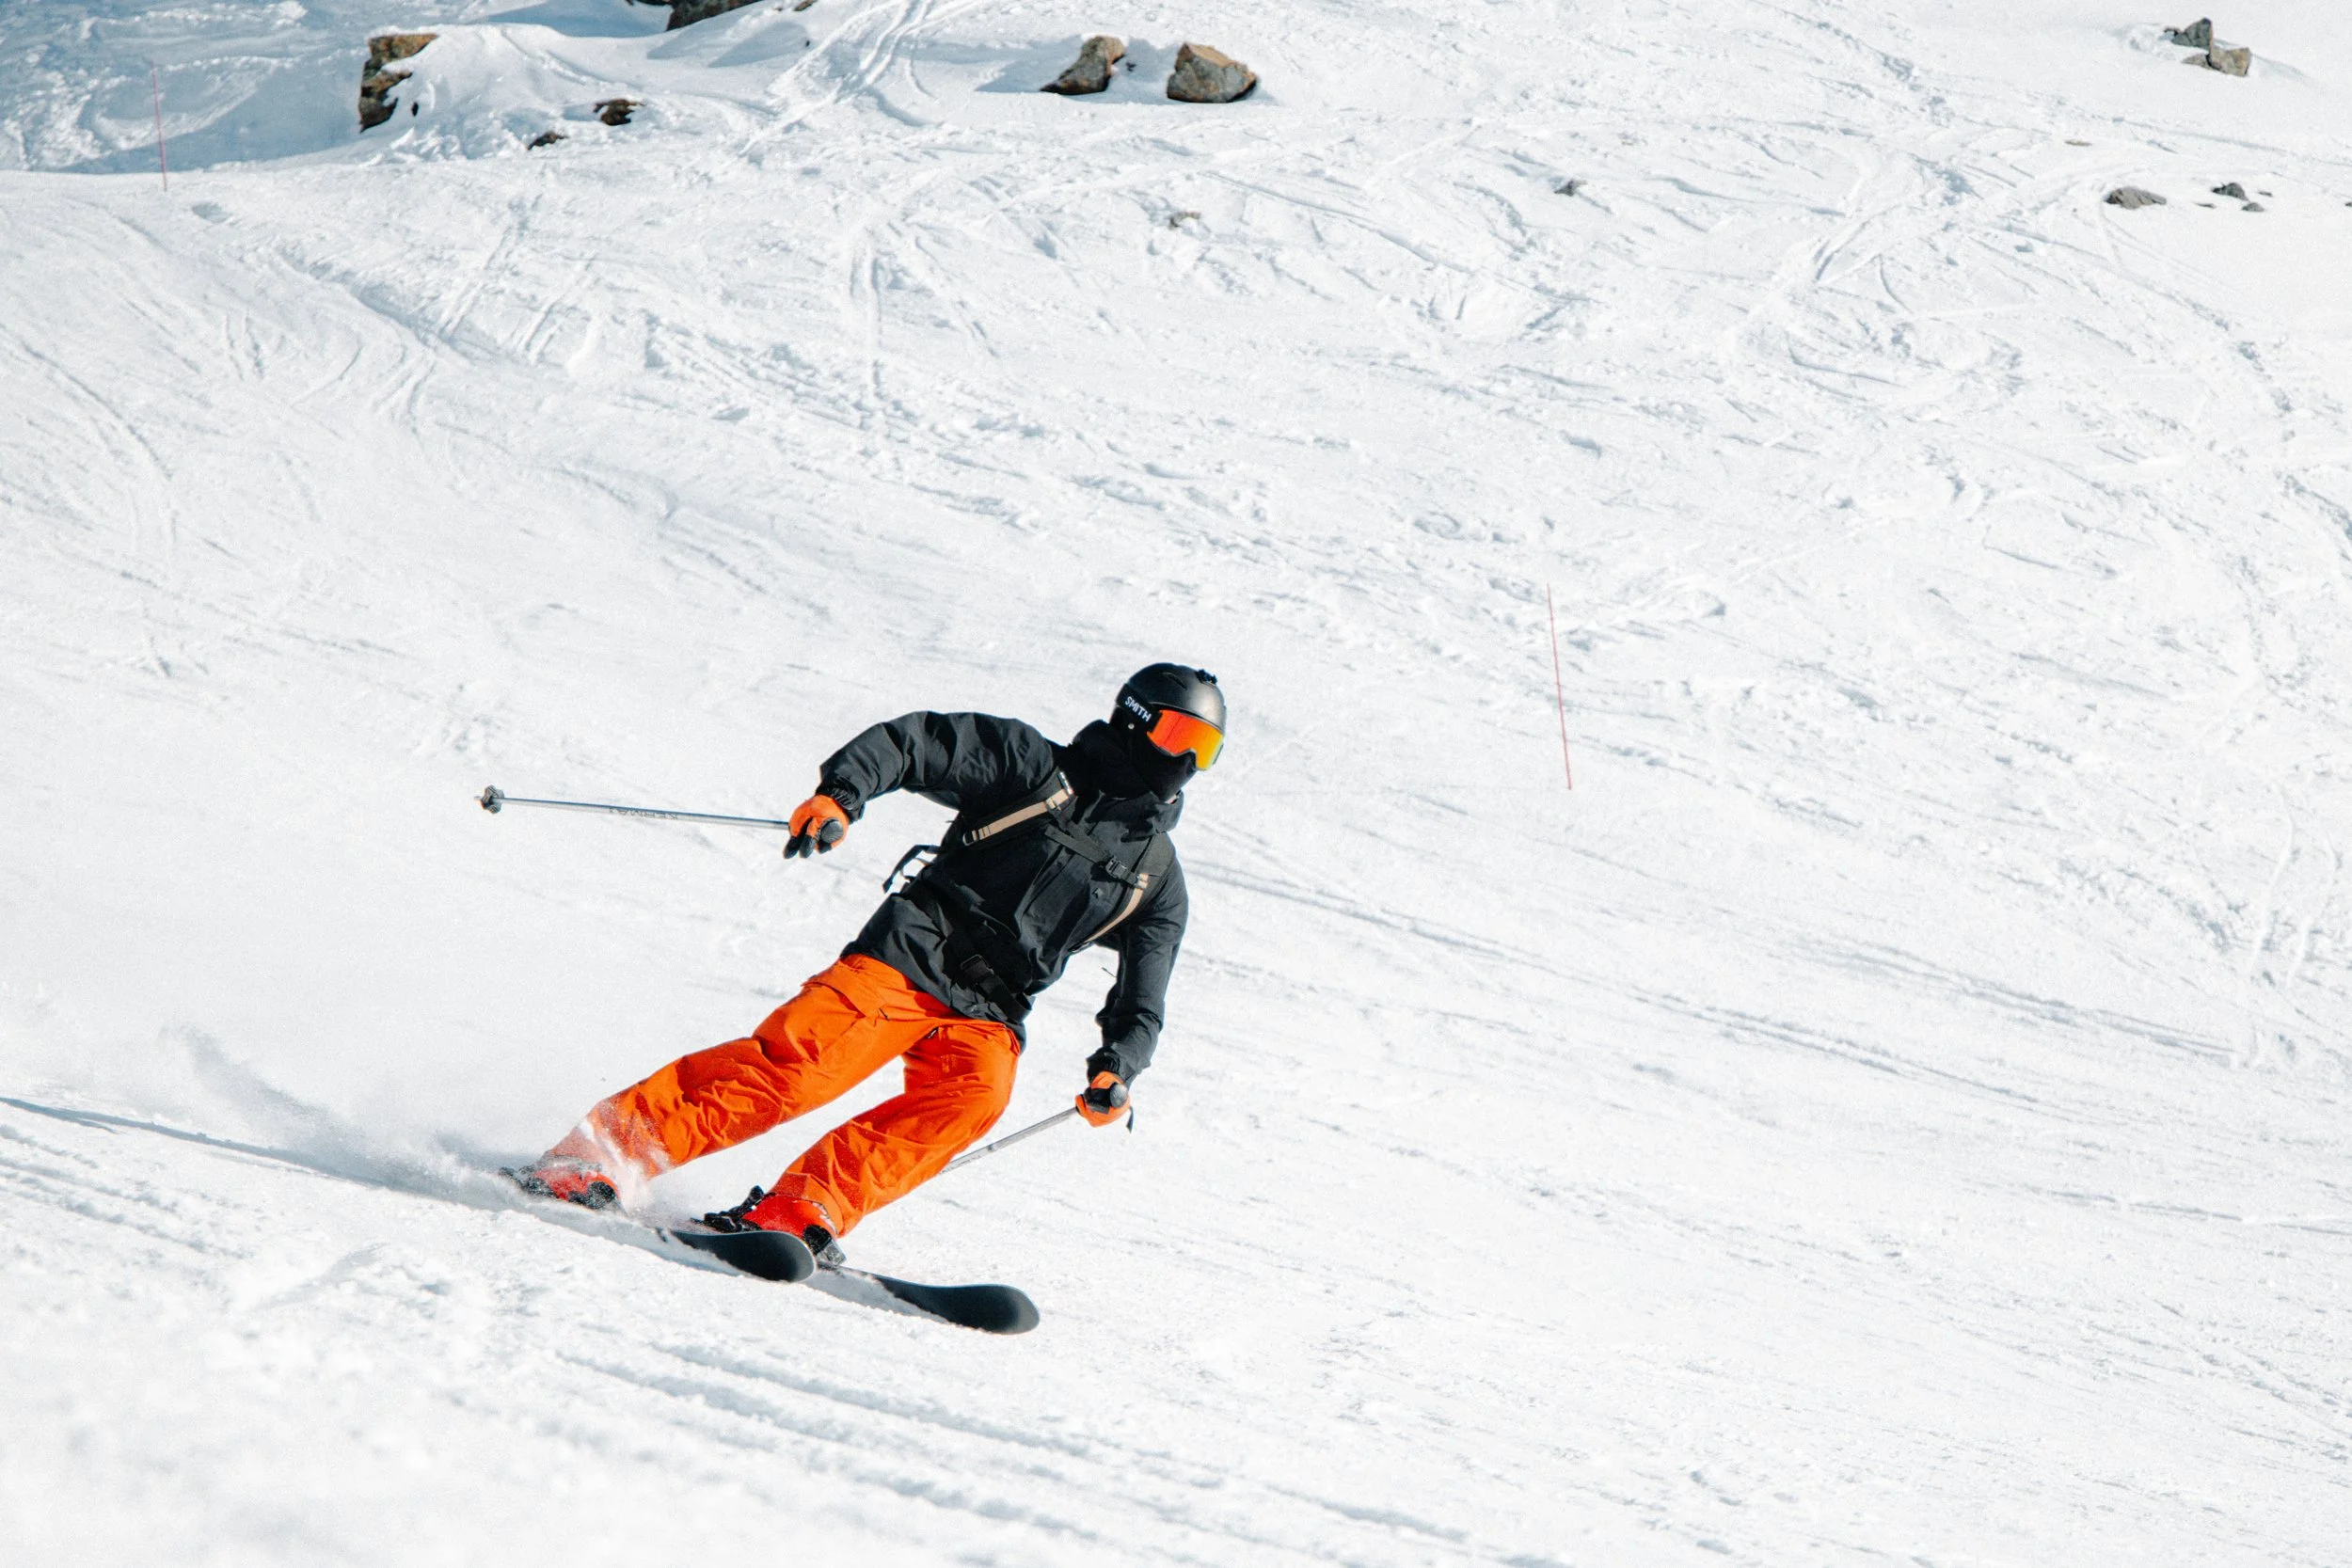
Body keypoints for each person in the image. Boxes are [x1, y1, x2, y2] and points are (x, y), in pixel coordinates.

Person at [509, 664, 1225, 1261]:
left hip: (993, 1009)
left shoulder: (1154, 875)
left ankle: (802, 1206)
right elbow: (914, 744)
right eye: (1180, 736)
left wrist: (1119, 1066)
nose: (1188, 761)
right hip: (911, 954)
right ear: (1134, 720)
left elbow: (1144, 994)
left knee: (975, 1095)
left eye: (1207, 748)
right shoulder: (1031, 766)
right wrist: (841, 795)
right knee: (802, 1067)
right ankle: (600, 1153)